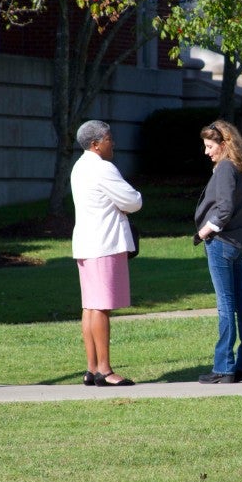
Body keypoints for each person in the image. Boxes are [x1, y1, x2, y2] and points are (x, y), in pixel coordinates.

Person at [71, 119, 142, 387]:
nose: (114, 143)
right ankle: (104, 370)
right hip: (104, 243)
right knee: (100, 307)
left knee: (90, 306)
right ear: (96, 144)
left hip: (87, 244)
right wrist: (123, 204)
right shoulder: (102, 168)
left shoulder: (79, 166)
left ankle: (91, 368)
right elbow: (133, 201)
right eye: (109, 138)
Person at [194, 120, 242, 384]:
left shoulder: (225, 169)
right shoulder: (239, 168)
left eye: (210, 146)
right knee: (241, 306)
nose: (207, 151)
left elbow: (224, 207)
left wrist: (205, 231)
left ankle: (224, 368)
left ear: (224, 143)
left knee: (226, 306)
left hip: (222, 243)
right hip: (238, 244)